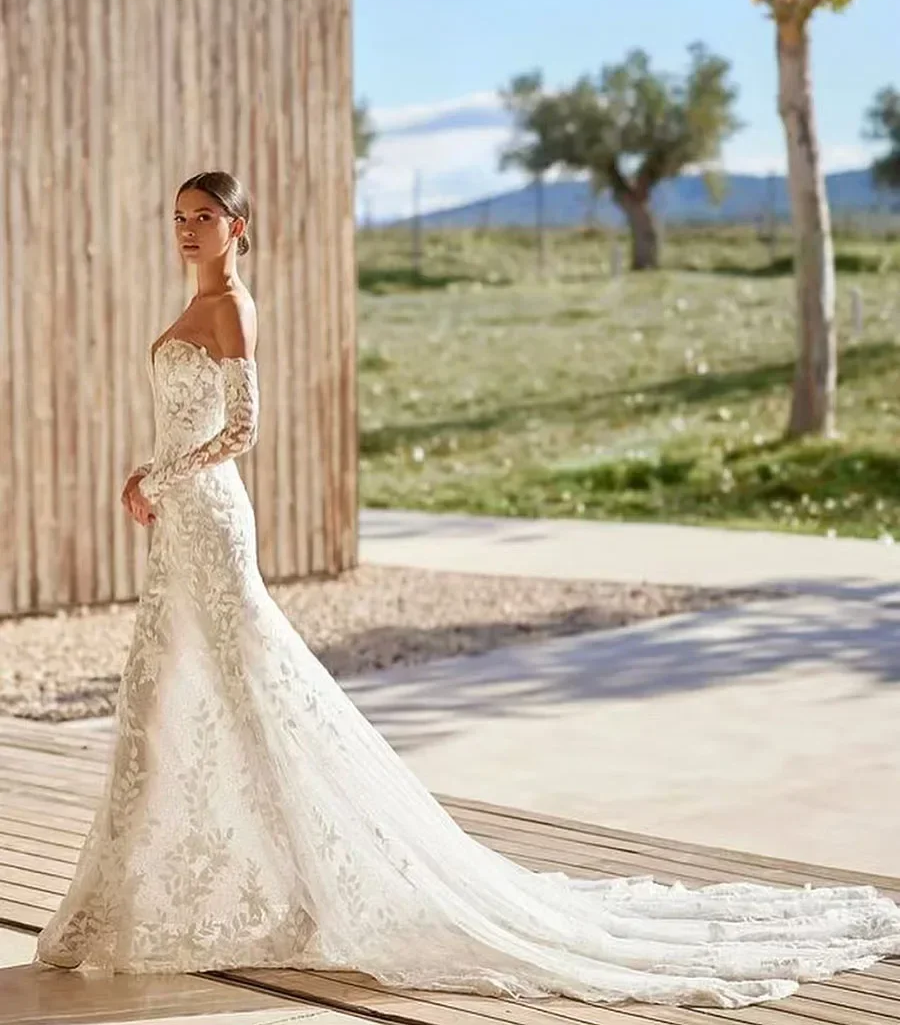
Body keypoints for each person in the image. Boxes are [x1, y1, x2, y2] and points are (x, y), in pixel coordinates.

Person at [34, 170, 900, 1008]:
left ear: (238, 228)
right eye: (179, 216)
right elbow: (193, 424)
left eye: (204, 217)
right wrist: (154, 473)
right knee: (163, 690)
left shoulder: (231, 305)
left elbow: (245, 429)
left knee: (246, 688)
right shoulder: (191, 304)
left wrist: (158, 474)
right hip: (182, 519)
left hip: (212, 518)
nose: (187, 229)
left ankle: (304, 877)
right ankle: (123, 905)